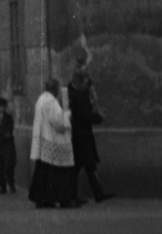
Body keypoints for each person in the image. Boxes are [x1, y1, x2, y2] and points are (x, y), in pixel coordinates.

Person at [67, 51, 111, 203]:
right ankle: (73, 195)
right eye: (85, 82)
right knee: (78, 167)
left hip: (82, 135)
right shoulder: (78, 96)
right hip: (80, 136)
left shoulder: (76, 93)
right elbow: (83, 116)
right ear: (80, 82)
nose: (87, 85)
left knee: (88, 166)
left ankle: (97, 193)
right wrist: (99, 117)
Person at [29, 78, 74, 208]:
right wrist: (67, 114)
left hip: (43, 140)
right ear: (55, 89)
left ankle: (43, 199)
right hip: (51, 141)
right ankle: (60, 199)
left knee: (43, 173)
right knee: (57, 173)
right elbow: (59, 123)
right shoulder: (51, 101)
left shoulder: (41, 99)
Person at [0, 96, 17, 194]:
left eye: (2, 106)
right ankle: (2, 186)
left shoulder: (9, 118)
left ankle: (11, 183)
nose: (0, 108)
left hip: (8, 144)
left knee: (9, 164)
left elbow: (8, 131)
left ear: (5, 107)